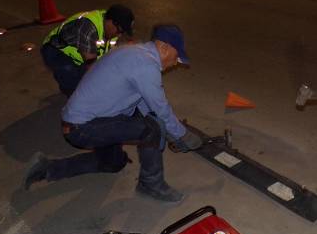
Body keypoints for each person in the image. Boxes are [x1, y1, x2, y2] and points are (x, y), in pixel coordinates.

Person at [25, 25, 202, 203]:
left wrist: (169, 132)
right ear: (164, 47)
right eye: (176, 58)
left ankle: (46, 168)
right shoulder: (146, 65)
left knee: (113, 163)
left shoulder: (133, 52)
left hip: (79, 122)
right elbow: (160, 108)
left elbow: (145, 103)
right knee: (152, 129)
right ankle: (151, 184)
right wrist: (182, 135)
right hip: (82, 127)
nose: (174, 63)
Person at [41, 4, 135, 97]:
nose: (119, 35)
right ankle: (69, 89)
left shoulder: (110, 27)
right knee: (79, 87)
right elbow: (92, 69)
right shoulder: (88, 28)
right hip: (55, 50)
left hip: (81, 57)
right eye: (119, 31)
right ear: (110, 22)